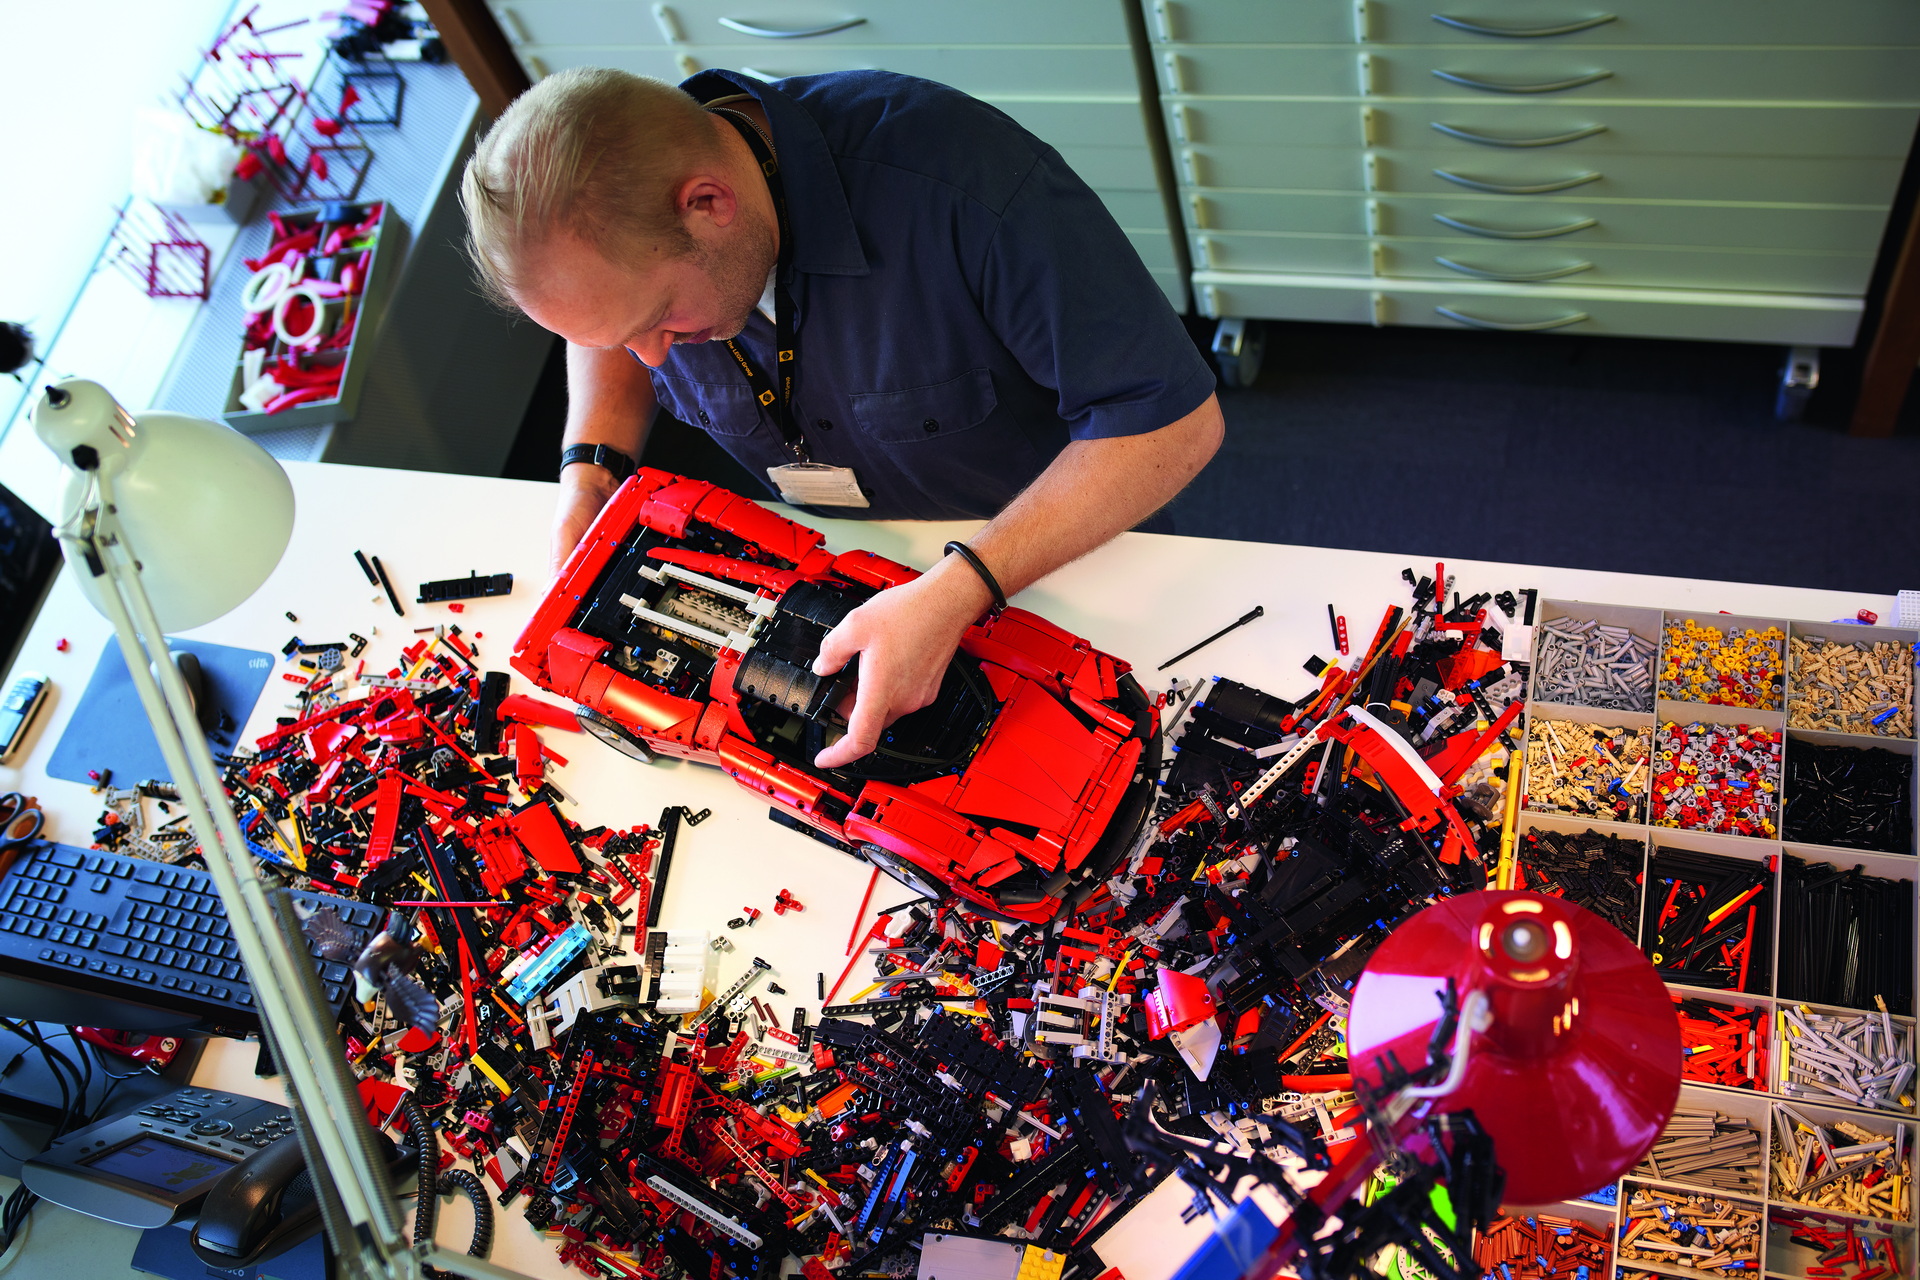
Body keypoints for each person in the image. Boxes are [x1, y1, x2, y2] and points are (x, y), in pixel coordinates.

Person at [462, 66, 1222, 769]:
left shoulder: (965, 186)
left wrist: (959, 589)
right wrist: (590, 468)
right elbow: (607, 327)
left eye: (659, 317)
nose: (650, 358)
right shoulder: (629, 236)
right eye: (616, 334)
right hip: (843, 571)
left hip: (1072, 557)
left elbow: (1172, 423)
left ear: (709, 203)